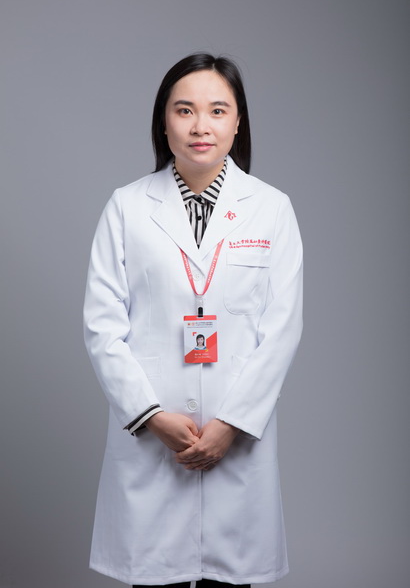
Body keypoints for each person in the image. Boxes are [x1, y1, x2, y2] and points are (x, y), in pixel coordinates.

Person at [83, 53, 303, 588]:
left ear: (238, 121)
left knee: (231, 578)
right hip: (154, 437)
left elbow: (282, 331)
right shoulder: (127, 207)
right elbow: (102, 327)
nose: (201, 126)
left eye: (217, 110)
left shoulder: (271, 209)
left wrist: (231, 425)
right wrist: (150, 416)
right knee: (154, 576)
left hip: (237, 439)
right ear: (164, 121)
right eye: (184, 110)